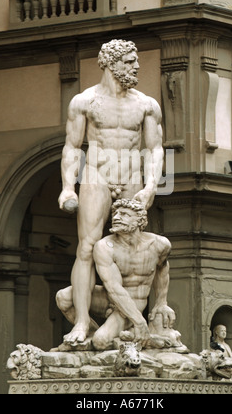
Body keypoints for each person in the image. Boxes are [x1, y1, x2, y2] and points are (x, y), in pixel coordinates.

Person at [58, 39, 164, 345]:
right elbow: (72, 147)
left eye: (136, 61)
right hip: (97, 175)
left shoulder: (146, 104)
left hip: (131, 174)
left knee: (133, 248)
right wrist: (67, 187)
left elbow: (156, 149)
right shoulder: (85, 101)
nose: (136, 66)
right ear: (110, 63)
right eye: (129, 61)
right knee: (87, 248)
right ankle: (80, 321)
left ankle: (132, 319)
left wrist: (150, 186)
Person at [56, 199, 175, 349]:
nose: (117, 217)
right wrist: (140, 321)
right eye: (115, 213)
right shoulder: (105, 246)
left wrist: (161, 302)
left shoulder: (159, 244)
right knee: (63, 297)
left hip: (135, 300)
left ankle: (117, 339)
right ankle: (91, 336)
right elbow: (113, 287)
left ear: (140, 220)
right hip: (109, 297)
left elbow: (162, 268)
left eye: (124, 214)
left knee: (102, 341)